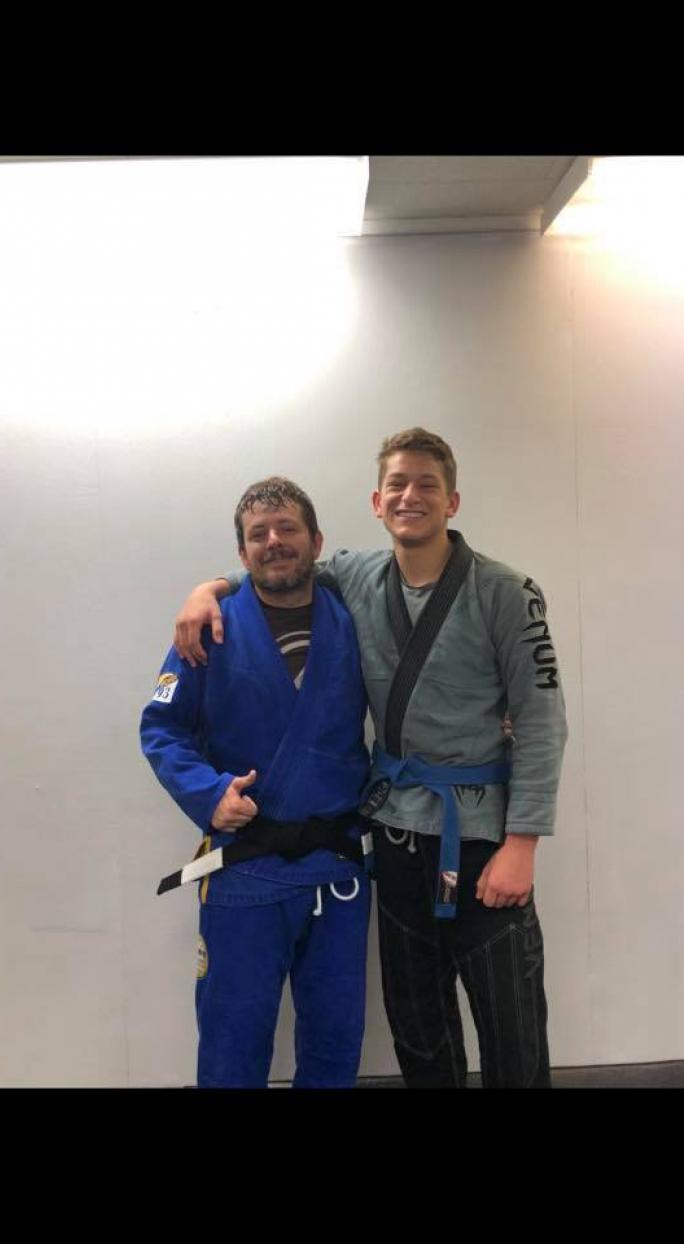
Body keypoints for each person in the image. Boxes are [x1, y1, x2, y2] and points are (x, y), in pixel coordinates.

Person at [173, 429, 568, 1088]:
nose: (411, 496)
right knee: (417, 1023)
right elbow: (276, 568)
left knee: (511, 1021)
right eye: (397, 485)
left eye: (427, 485)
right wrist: (205, 590)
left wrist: (523, 841)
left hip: (482, 836)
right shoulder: (356, 576)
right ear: (377, 502)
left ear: (452, 501)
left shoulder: (506, 590)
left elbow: (542, 721)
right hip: (395, 834)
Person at [140, 477, 371, 1089]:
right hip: (246, 868)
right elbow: (161, 726)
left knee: (336, 1044)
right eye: (258, 534)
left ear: (316, 541)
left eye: (287, 528)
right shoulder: (207, 628)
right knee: (232, 1044)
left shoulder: (354, 618)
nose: (274, 542)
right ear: (241, 554)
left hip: (338, 869)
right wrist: (208, 793)